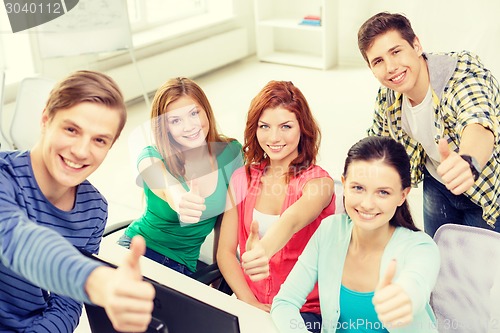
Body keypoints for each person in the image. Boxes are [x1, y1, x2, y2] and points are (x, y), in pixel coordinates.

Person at [0, 70, 155, 332]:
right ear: (46, 120)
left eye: (99, 140)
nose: (81, 151)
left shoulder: (94, 209)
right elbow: (18, 241)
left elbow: (67, 304)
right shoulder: (4, 177)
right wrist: (98, 282)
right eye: (72, 129)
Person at [271, 136, 440, 333]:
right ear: (344, 184)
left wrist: (403, 298)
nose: (367, 204)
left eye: (383, 192)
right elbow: (285, 302)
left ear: (402, 195)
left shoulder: (421, 248)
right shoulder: (330, 230)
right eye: (358, 188)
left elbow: (416, 284)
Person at [357, 12, 500, 238]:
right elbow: (378, 142)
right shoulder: (389, 94)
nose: (391, 67)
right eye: (378, 61)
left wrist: (469, 161)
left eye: (396, 52)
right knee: (439, 255)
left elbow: (478, 124)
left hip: (486, 188)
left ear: (416, 45)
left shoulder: (461, 75)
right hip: (437, 183)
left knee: (480, 268)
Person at [217, 80, 336, 331]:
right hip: (250, 303)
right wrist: (248, 302)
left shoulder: (319, 183)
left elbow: (291, 220)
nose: (274, 137)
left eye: (285, 126)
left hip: (302, 310)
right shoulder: (242, 178)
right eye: (265, 126)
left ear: (302, 129)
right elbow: (225, 253)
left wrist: (262, 251)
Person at [118, 77, 243, 276]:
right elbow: (164, 184)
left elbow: (226, 225)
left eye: (194, 113)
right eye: (175, 120)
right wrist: (178, 197)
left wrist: (220, 278)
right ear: (165, 127)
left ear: (206, 111)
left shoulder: (231, 153)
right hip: (136, 251)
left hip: (182, 267)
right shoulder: (152, 155)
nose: (189, 126)